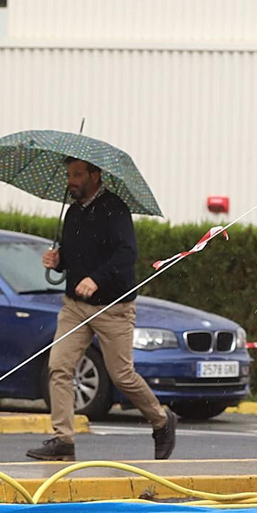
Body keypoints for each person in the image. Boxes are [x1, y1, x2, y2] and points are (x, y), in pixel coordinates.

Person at [25, 157, 177, 462]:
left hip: (114, 308)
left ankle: (161, 420)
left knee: (121, 375)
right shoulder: (72, 213)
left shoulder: (115, 210)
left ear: (96, 176)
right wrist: (58, 261)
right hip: (74, 307)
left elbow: (126, 254)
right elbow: (74, 256)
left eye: (78, 174)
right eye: (69, 174)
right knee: (59, 367)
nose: (72, 180)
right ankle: (63, 440)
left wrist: (96, 279)